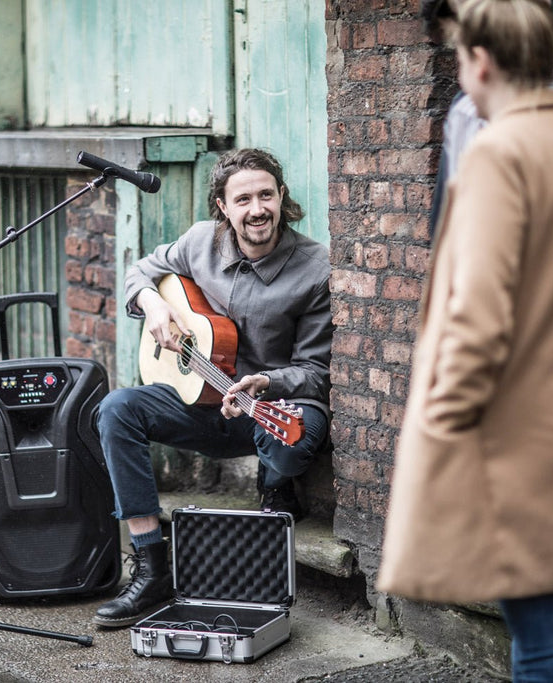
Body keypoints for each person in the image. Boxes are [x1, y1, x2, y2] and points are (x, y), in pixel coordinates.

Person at [379, 1, 553, 681]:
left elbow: (476, 311)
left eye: (456, 57)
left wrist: (445, 424)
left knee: (542, 636)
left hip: (521, 429)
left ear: (481, 59)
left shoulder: (492, 148)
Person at [91, 148, 334, 628]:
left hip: (269, 406)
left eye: (267, 195)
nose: (257, 209)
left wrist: (267, 380)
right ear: (223, 206)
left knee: (294, 439)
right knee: (116, 409)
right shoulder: (200, 241)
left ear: (283, 197)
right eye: (243, 199)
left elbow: (316, 370)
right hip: (198, 401)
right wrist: (153, 306)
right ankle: (150, 565)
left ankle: (276, 483)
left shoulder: (316, 268)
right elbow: (141, 270)